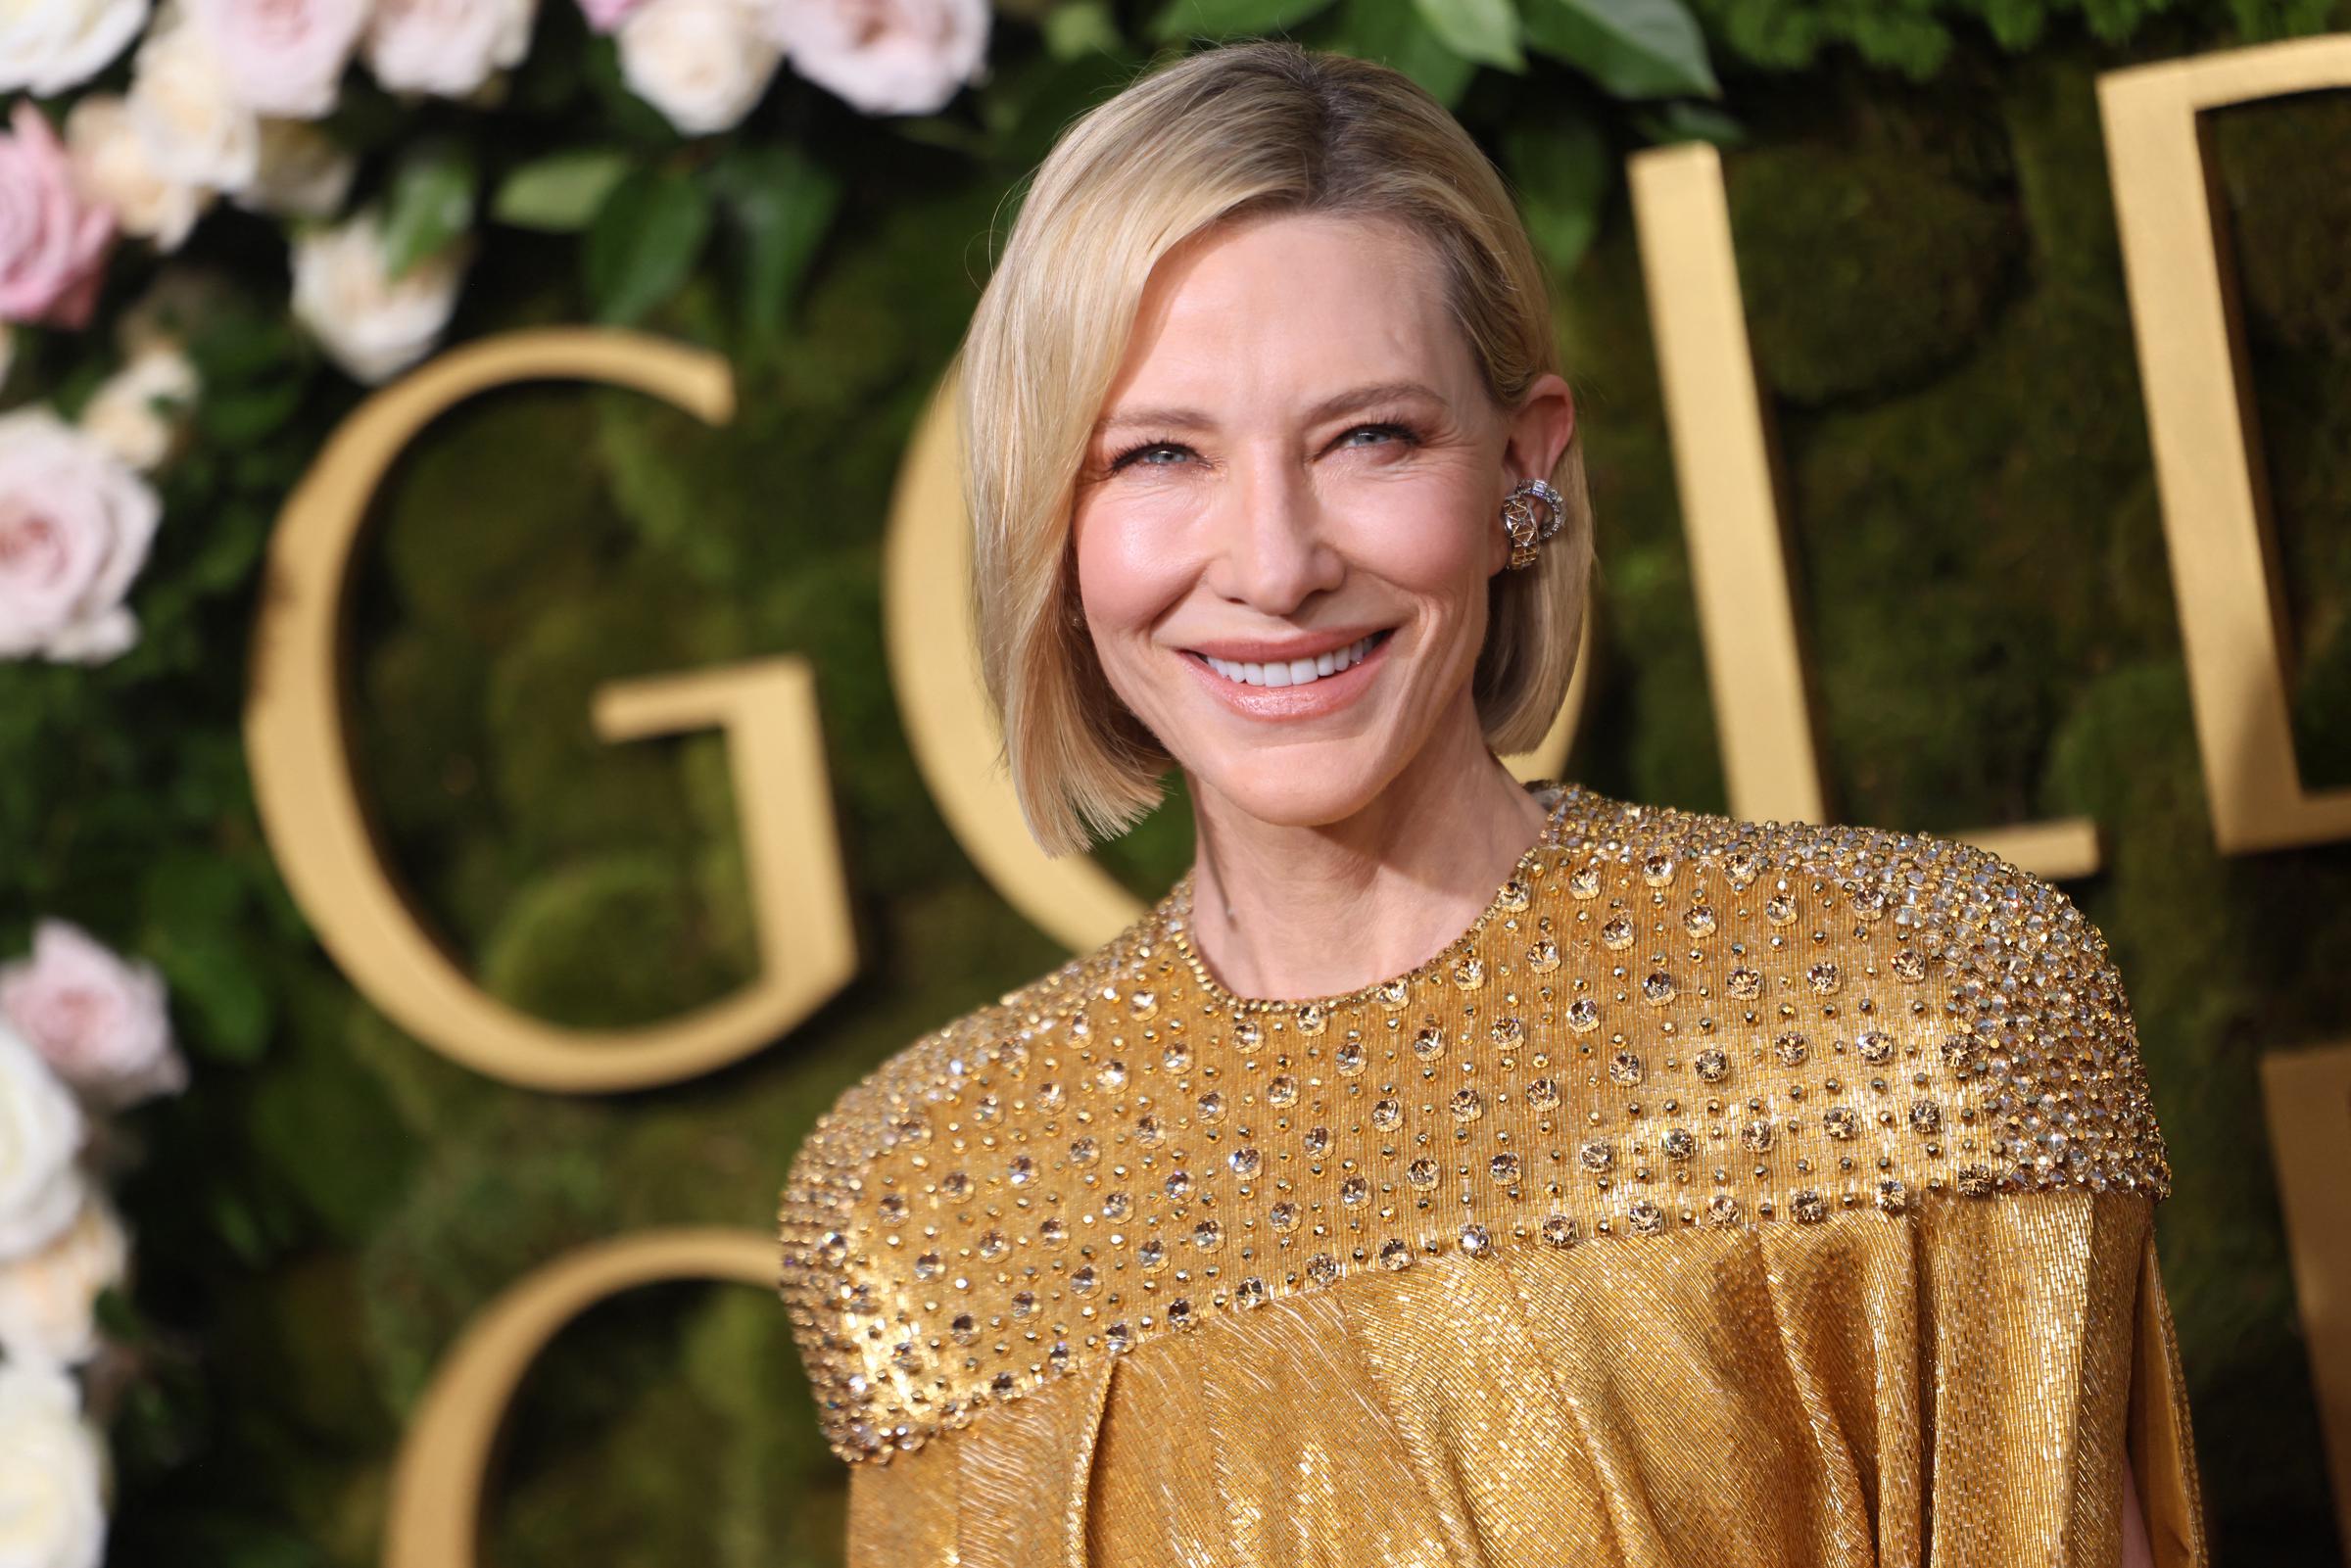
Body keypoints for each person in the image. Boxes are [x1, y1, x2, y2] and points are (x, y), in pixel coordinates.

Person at [775, 38, 2206, 1567]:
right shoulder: (935, 1198)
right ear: (1053, 525)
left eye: (1368, 438)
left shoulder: (1914, 1000)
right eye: (1159, 455)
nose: (1274, 562)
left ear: (1524, 470)